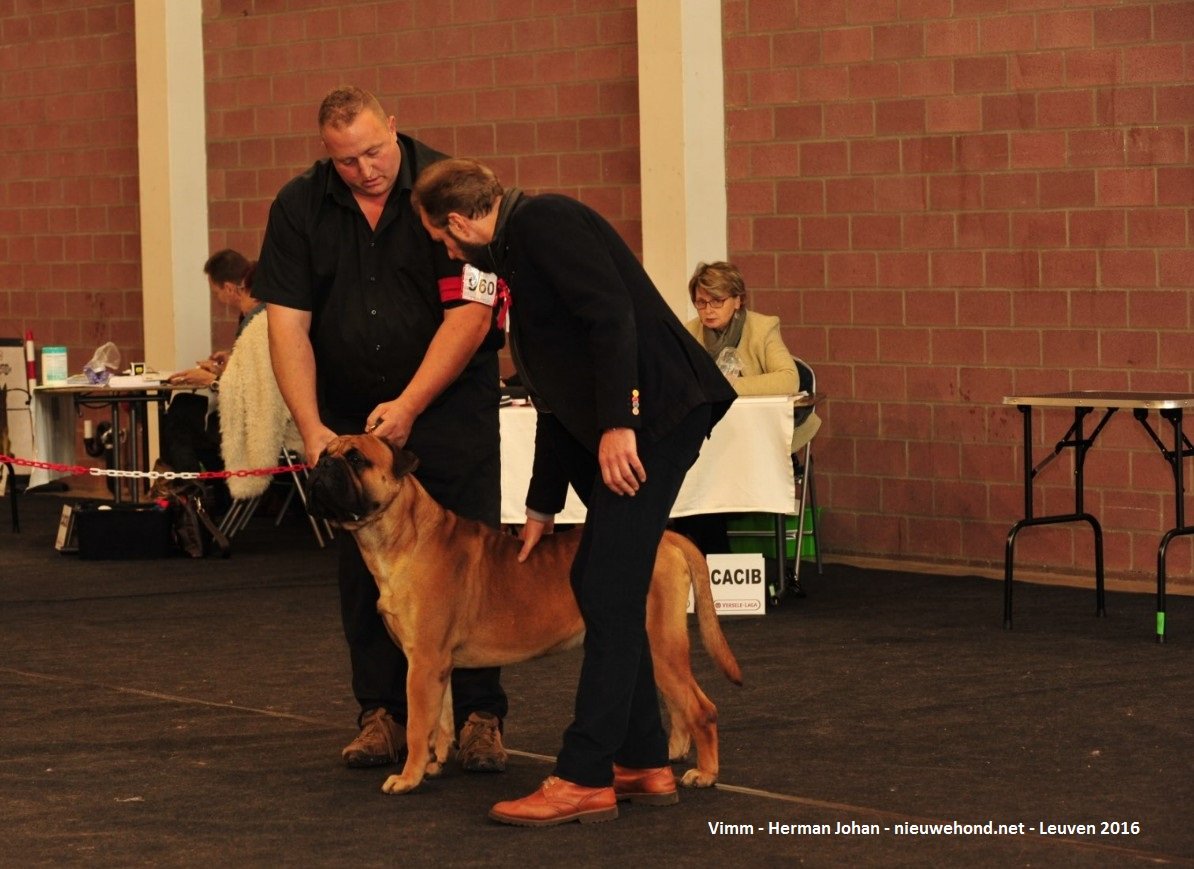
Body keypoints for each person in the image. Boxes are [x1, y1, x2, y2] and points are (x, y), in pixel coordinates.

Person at [413, 158, 737, 827]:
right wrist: (540, 505)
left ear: (459, 221)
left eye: (443, 240)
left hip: (658, 417)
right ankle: (644, 761)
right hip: (631, 422)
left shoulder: (544, 222)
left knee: (610, 589)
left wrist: (622, 420)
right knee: (599, 581)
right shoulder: (514, 253)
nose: (446, 251)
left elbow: (611, 317)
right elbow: (556, 390)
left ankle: (585, 773)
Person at [251, 87, 509, 773]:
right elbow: (287, 325)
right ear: (325, 156)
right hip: (349, 417)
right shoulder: (298, 206)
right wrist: (312, 429)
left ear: (393, 126)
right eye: (346, 161)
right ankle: (382, 715)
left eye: (374, 150)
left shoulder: (445, 188)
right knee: (364, 568)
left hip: (447, 405)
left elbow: (472, 317)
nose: (366, 169)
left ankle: (482, 715)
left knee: (473, 559)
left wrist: (412, 404)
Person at [673, 261, 820, 555]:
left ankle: (710, 565)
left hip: (760, 443)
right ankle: (704, 564)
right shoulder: (689, 334)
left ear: (738, 300)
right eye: (701, 302)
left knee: (703, 479)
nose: (708, 310)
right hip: (712, 448)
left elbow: (788, 379)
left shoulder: (763, 327)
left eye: (717, 301)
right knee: (685, 476)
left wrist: (724, 389)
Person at [159, 249, 261, 477]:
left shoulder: (261, 321)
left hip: (256, 419)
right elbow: (253, 368)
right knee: (185, 406)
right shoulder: (254, 320)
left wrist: (213, 379)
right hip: (246, 405)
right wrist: (228, 365)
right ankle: (192, 488)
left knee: (180, 422)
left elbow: (260, 383)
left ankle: (195, 487)